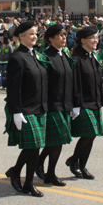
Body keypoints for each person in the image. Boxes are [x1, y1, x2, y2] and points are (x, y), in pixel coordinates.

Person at [4, 21, 48, 197]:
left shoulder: (35, 55)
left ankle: (23, 177)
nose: (35, 36)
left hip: (39, 107)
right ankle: (21, 175)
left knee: (35, 147)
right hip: (26, 108)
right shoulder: (17, 57)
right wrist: (16, 111)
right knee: (33, 146)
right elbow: (13, 88)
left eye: (36, 33)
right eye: (30, 33)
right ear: (20, 36)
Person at [35, 24, 73, 187]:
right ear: (50, 39)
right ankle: (50, 173)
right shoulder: (45, 57)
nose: (64, 38)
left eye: (65, 35)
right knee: (57, 140)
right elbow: (42, 83)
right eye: (60, 35)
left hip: (65, 104)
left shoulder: (64, 54)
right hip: (51, 104)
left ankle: (40, 163)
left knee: (56, 141)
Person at [66, 27, 103, 180]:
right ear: (83, 40)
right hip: (82, 103)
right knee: (89, 133)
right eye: (92, 38)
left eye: (97, 37)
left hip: (95, 101)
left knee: (92, 135)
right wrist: (75, 105)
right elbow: (75, 83)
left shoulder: (92, 56)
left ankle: (79, 163)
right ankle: (76, 162)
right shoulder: (76, 59)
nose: (96, 40)